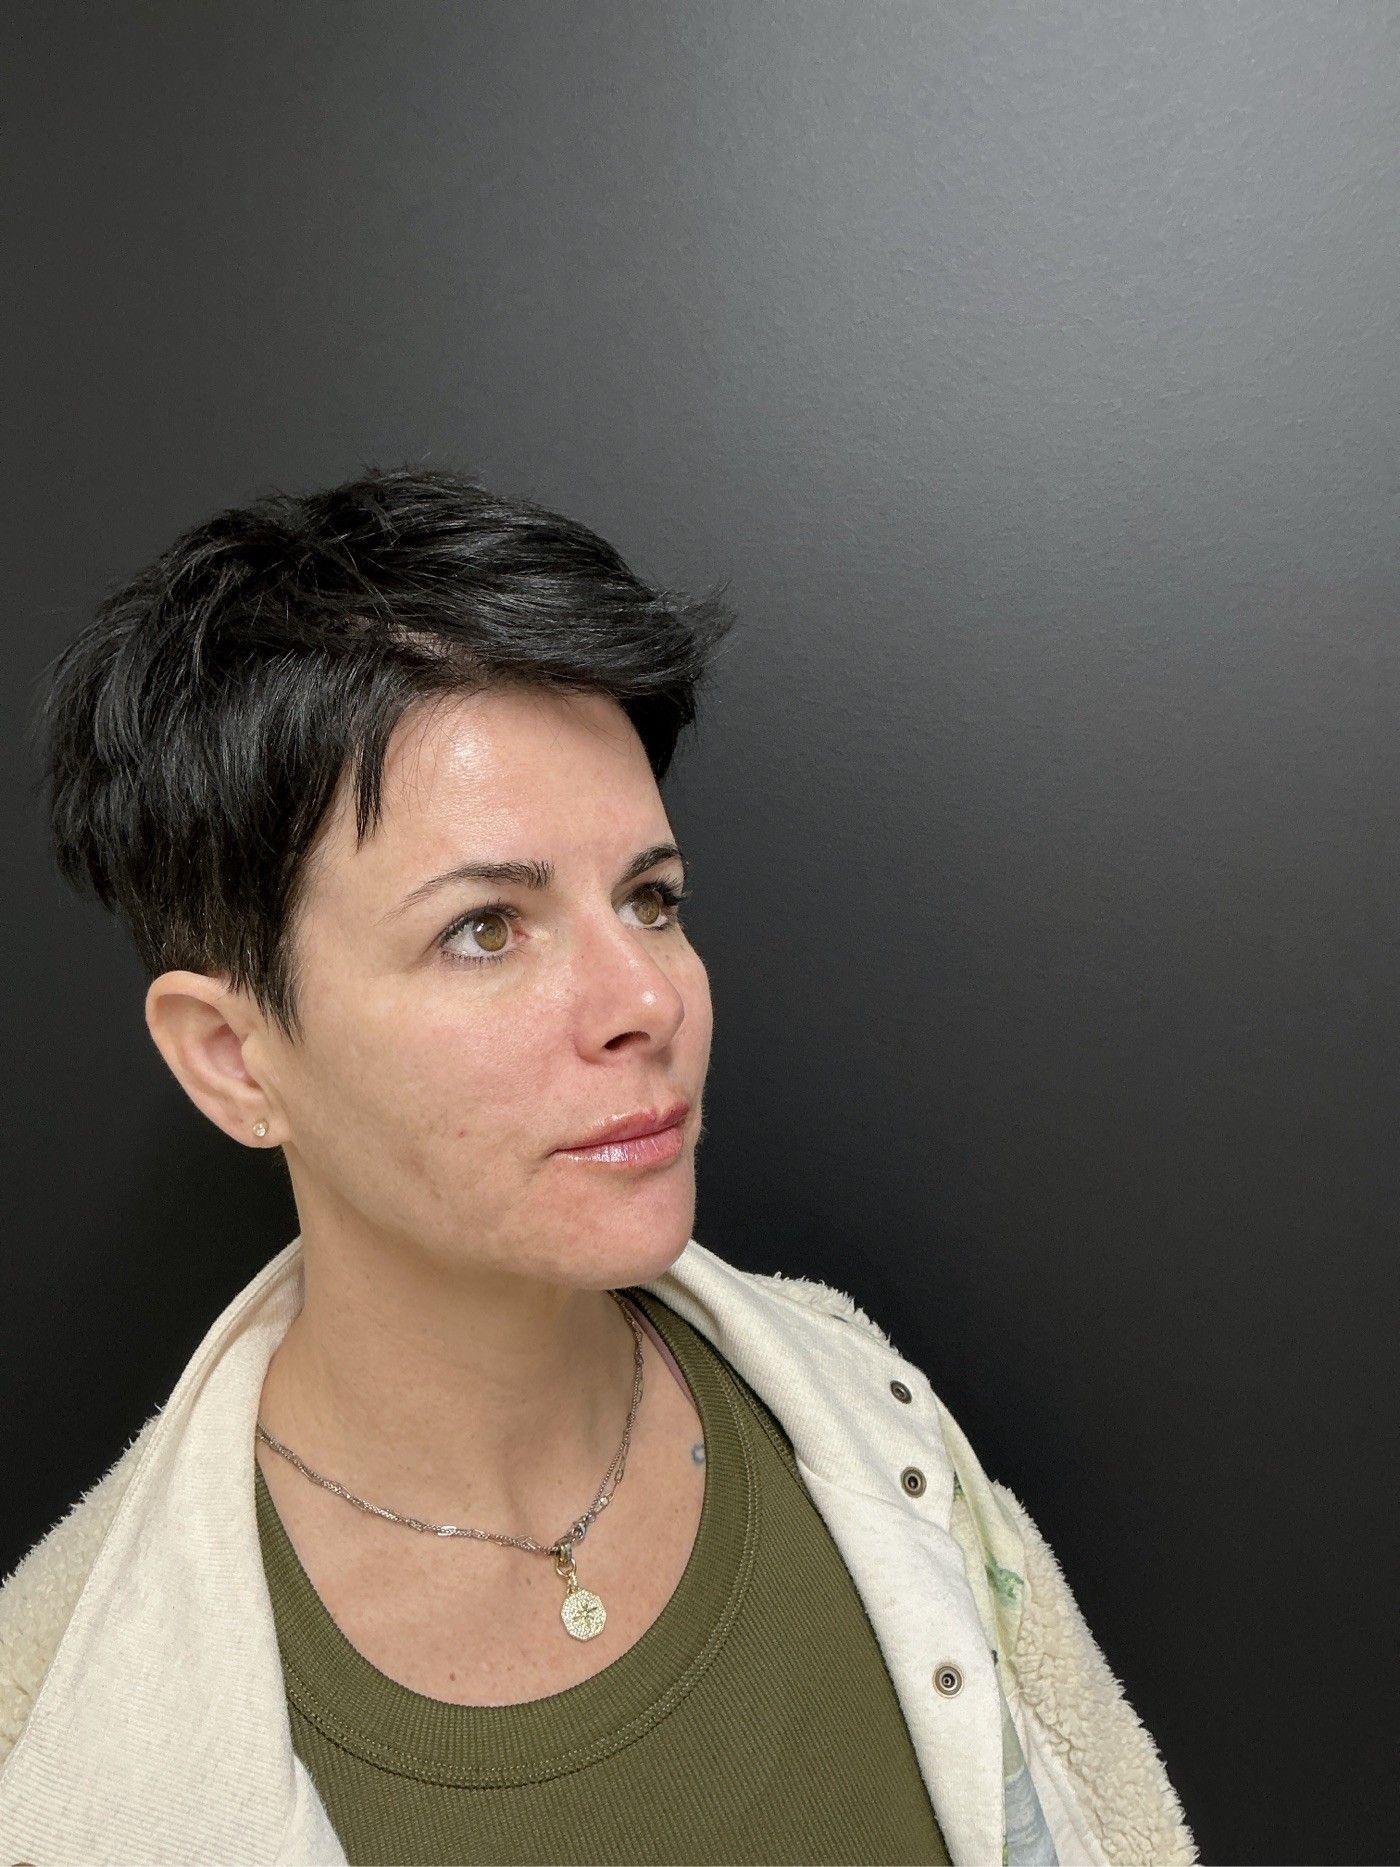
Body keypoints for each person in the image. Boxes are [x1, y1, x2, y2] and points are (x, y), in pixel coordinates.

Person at [0, 465, 1195, 1866]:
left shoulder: (872, 1425)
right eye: (484, 929)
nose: (648, 999)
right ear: (232, 1058)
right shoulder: (52, 1730)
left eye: (652, 898)